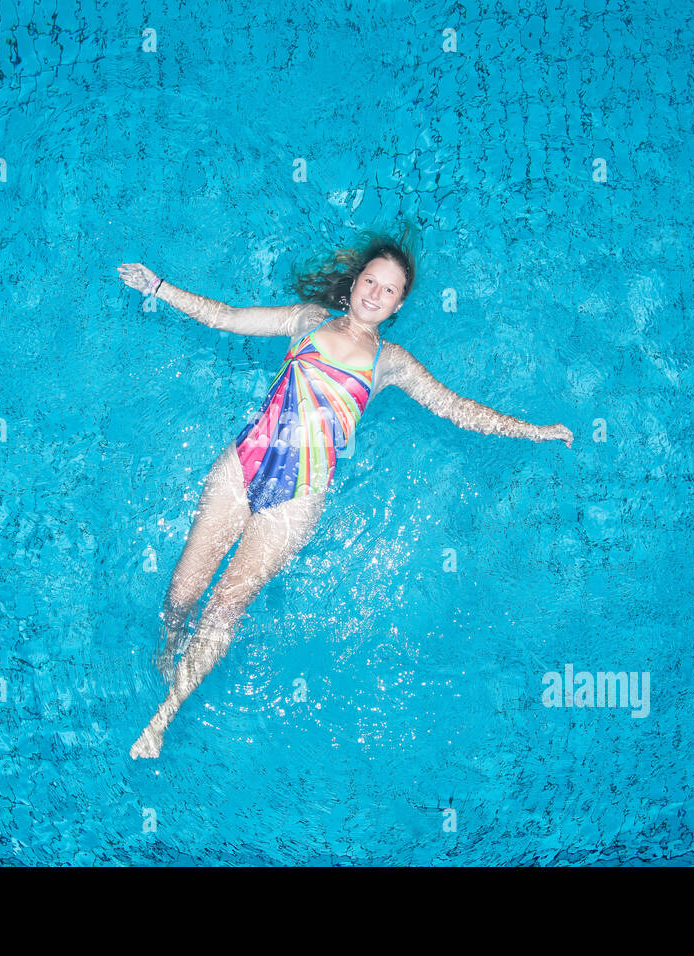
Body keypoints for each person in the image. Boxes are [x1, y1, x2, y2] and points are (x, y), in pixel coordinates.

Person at [116, 228, 573, 758]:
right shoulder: (307, 320)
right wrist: (159, 287)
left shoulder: (392, 363)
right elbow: (227, 316)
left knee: (224, 609)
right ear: (355, 281)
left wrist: (535, 431)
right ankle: (169, 646)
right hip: (240, 469)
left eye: (390, 290)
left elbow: (457, 408)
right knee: (179, 596)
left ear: (399, 304)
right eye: (371, 281)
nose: (375, 294)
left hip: (295, 501)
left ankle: (162, 718)